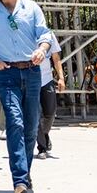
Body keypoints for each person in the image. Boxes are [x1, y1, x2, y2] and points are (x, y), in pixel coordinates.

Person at [0, 0, 52, 193]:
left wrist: (42, 49)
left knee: (30, 127)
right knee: (15, 122)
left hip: (31, 72)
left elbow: (45, 35)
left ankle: (25, 175)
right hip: (5, 73)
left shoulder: (31, 8)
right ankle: (19, 180)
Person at [35, 26, 65, 158]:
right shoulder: (21, 32)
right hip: (30, 81)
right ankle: (41, 147)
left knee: (50, 112)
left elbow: (55, 57)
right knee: (35, 115)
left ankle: (45, 134)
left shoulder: (48, 34)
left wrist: (61, 78)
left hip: (46, 79)